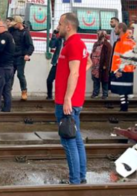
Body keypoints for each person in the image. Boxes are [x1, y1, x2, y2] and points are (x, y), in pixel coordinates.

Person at [54, 13, 91, 185]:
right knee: (76, 140)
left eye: (60, 24)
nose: (58, 27)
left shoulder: (74, 44)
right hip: (72, 99)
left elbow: (75, 72)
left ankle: (75, 181)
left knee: (68, 141)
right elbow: (87, 63)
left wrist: (68, 98)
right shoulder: (76, 44)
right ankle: (80, 176)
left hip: (67, 101)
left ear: (68, 26)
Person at [110, 23, 136, 112]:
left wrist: (119, 69)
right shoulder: (125, 40)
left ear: (121, 29)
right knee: (124, 91)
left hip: (123, 69)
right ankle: (124, 107)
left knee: (122, 90)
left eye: (116, 28)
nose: (114, 30)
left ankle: (124, 108)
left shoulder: (124, 41)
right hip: (126, 69)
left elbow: (124, 58)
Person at [9, 16, 34, 101]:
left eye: (15, 24)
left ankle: (24, 91)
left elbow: (31, 46)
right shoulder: (11, 30)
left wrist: (27, 54)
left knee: (20, 75)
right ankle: (8, 92)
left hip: (21, 57)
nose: (13, 26)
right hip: (12, 56)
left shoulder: (25, 33)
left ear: (19, 23)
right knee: (10, 75)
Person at [90, 30, 112, 99]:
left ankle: (105, 94)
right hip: (95, 66)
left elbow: (108, 56)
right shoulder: (96, 43)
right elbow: (92, 53)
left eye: (99, 35)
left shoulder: (107, 45)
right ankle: (95, 93)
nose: (98, 36)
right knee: (95, 80)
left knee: (104, 80)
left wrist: (105, 65)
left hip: (103, 66)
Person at [46, 30, 63, 100]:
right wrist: (54, 35)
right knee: (49, 80)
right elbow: (51, 45)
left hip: (65, 64)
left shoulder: (69, 40)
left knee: (61, 82)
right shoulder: (59, 39)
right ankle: (49, 96)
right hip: (57, 63)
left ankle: (61, 97)